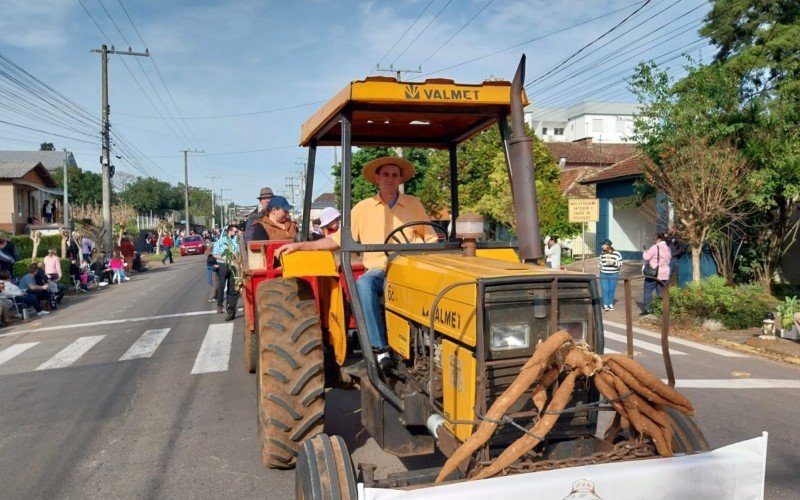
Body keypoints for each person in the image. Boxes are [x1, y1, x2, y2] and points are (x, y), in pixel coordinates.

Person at [275, 156, 436, 373]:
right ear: (377, 178)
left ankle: (432, 343)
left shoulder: (414, 204)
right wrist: (301, 246)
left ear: (400, 180)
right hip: (381, 270)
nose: (390, 179)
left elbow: (431, 238)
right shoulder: (363, 208)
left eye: (395, 175)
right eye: (385, 174)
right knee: (364, 284)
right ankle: (381, 349)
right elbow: (336, 240)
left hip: (412, 269)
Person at [212, 224, 241, 320]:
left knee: (232, 288)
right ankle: (219, 305)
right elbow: (215, 254)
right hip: (223, 265)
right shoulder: (221, 241)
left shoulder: (237, 241)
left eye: (237, 232)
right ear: (229, 231)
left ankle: (230, 309)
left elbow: (239, 253)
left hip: (234, 266)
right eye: (235, 232)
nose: (236, 233)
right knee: (221, 286)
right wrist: (224, 258)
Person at [642, 233, 672, 314]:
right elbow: (669, 259)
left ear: (658, 239)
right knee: (661, 292)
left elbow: (646, 257)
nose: (654, 240)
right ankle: (660, 310)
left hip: (654, 273)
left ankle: (647, 310)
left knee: (648, 291)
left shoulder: (655, 247)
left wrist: (645, 252)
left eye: (655, 238)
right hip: (665, 274)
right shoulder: (668, 248)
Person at [598, 239, 623, 311]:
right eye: (602, 245)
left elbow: (621, 263)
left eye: (603, 245)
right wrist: (600, 265)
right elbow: (600, 262)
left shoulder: (616, 253)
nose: (602, 246)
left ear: (607, 245)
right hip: (603, 274)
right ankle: (605, 304)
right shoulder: (602, 253)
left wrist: (614, 263)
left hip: (613, 274)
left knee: (611, 289)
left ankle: (610, 304)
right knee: (605, 289)